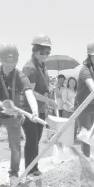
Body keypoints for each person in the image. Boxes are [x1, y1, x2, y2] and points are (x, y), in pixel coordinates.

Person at [0, 43, 39, 187]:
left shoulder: (20, 76)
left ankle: (14, 174)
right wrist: (3, 105)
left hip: (13, 116)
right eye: (6, 64)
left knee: (15, 146)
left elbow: (29, 93)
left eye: (13, 64)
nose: (9, 66)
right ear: (0, 60)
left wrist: (34, 111)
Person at [21, 35, 57, 177]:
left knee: (37, 140)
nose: (45, 55)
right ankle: (29, 170)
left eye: (47, 52)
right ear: (35, 51)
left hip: (41, 109)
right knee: (31, 140)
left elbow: (42, 87)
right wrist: (49, 101)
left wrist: (48, 91)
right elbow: (31, 93)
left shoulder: (43, 66)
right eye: (42, 52)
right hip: (29, 110)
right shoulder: (30, 68)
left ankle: (34, 167)